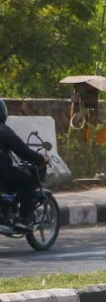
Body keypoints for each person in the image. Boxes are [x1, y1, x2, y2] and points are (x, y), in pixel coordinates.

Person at [0, 99, 48, 230]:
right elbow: (23, 152)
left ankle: (6, 212)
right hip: (3, 171)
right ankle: (23, 219)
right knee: (28, 180)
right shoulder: (4, 131)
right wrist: (41, 159)